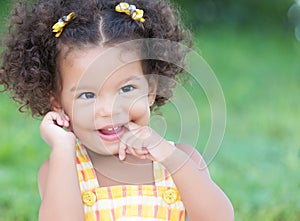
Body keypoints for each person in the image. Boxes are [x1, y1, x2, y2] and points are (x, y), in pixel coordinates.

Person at [0, 0, 234, 220]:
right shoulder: (62, 170)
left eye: (127, 88)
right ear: (59, 104)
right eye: (88, 95)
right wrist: (62, 148)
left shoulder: (182, 159)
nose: (109, 110)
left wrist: (169, 156)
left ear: (150, 90)